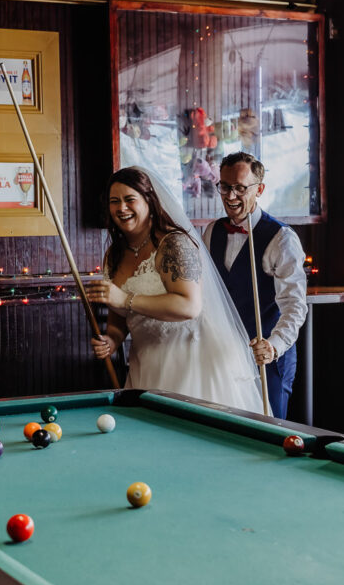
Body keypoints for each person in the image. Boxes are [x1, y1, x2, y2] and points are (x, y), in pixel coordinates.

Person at [86, 166, 264, 415]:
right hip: (145, 362)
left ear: (149, 201)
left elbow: (189, 306)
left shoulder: (174, 244)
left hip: (190, 361)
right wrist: (113, 339)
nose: (121, 208)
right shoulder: (114, 253)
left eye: (129, 200)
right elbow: (121, 313)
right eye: (114, 202)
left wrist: (125, 298)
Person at [203, 152, 307, 420]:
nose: (231, 195)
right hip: (223, 354)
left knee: (270, 430)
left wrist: (274, 345)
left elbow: (295, 306)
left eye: (240, 188)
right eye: (225, 187)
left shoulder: (282, 238)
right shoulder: (212, 231)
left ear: (259, 189)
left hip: (268, 357)